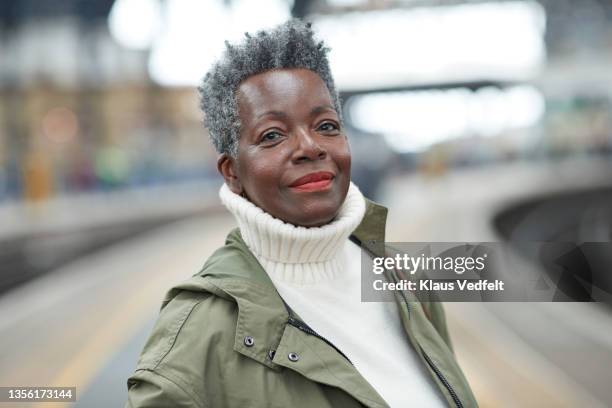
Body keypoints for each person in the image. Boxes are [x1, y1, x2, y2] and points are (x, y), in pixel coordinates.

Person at [125, 19, 477, 408]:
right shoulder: (195, 337)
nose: (310, 146)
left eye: (326, 125)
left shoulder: (404, 280)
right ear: (232, 173)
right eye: (272, 134)